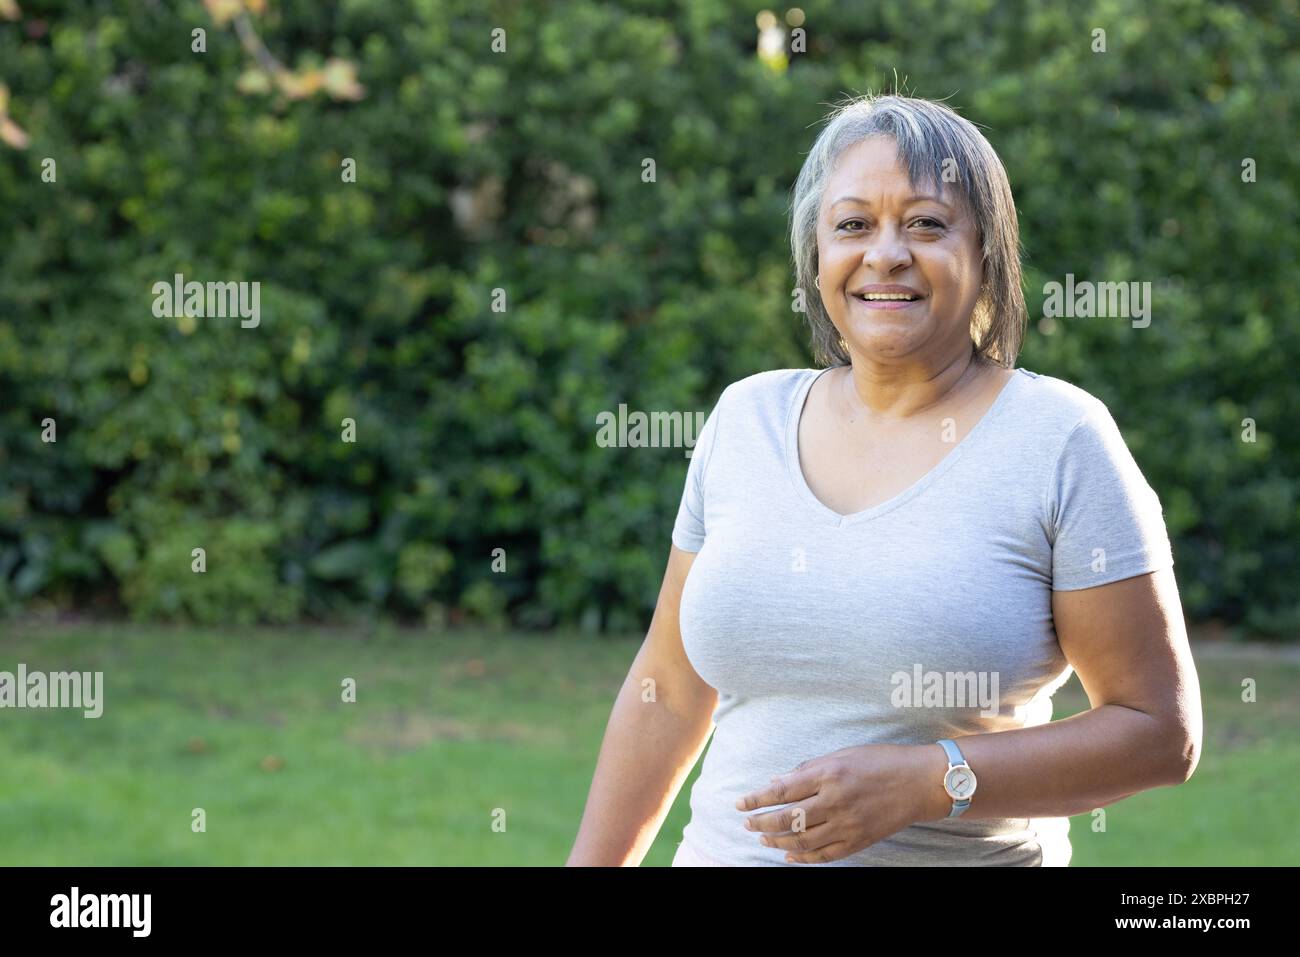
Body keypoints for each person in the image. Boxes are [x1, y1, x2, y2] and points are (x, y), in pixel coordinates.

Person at [566, 92, 1202, 866]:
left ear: (987, 253)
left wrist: (936, 779)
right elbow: (666, 687)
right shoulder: (745, 419)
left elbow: (1158, 731)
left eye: (926, 223)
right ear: (817, 257)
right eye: (853, 224)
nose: (886, 252)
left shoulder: (1060, 440)